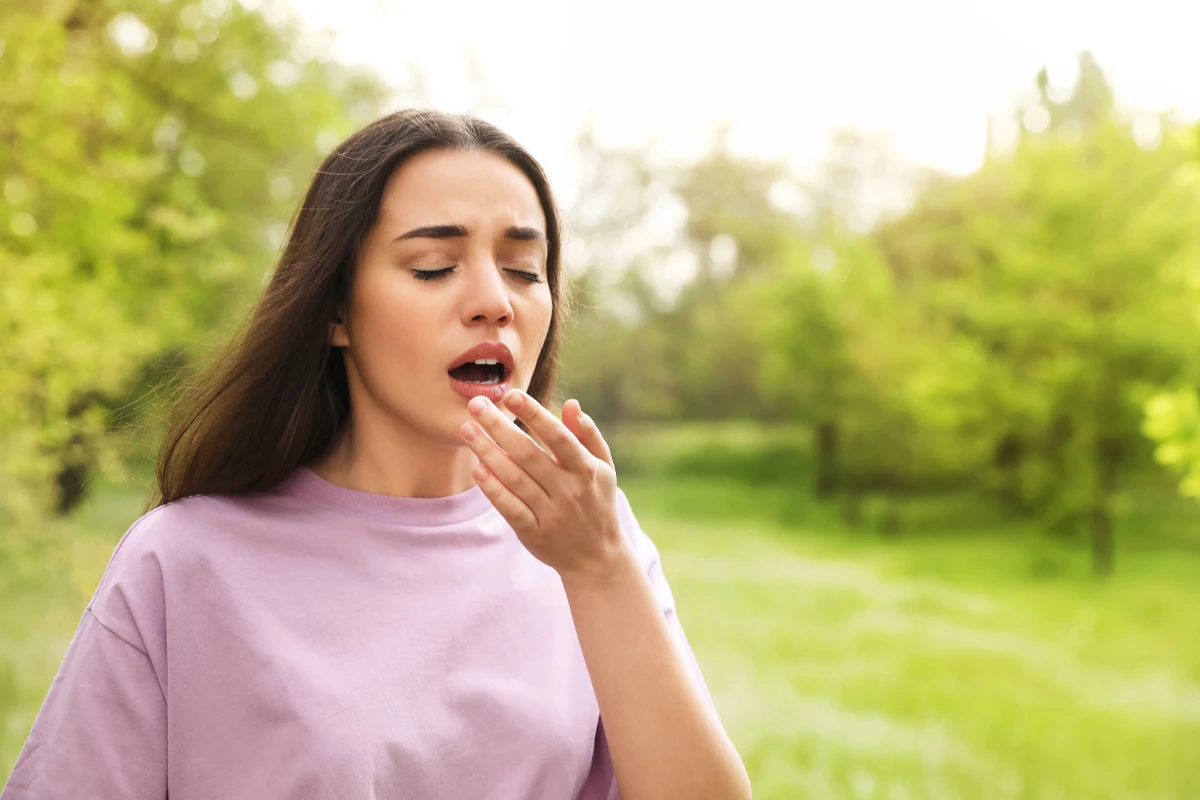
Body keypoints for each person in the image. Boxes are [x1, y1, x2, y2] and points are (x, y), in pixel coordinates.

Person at [1, 110, 750, 800]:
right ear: (334, 310)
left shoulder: (592, 542)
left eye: (526, 270)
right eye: (434, 266)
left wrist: (603, 569)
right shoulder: (183, 563)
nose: (496, 300)